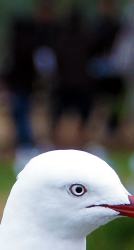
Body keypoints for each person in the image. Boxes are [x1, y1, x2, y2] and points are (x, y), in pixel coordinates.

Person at [49, 6, 93, 149]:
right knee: (82, 118)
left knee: (57, 117)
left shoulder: (61, 40)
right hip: (79, 84)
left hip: (65, 84)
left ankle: (55, 145)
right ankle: (82, 145)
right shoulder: (86, 38)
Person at [88, 0, 125, 140]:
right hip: (99, 76)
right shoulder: (96, 26)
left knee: (114, 110)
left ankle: (112, 136)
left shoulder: (120, 26)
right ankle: (96, 137)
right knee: (99, 108)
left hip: (116, 75)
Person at [0, 16, 38, 150]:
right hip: (26, 87)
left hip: (17, 87)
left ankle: (24, 143)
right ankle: (24, 141)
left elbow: (7, 69)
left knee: (20, 115)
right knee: (23, 115)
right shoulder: (32, 46)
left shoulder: (14, 47)